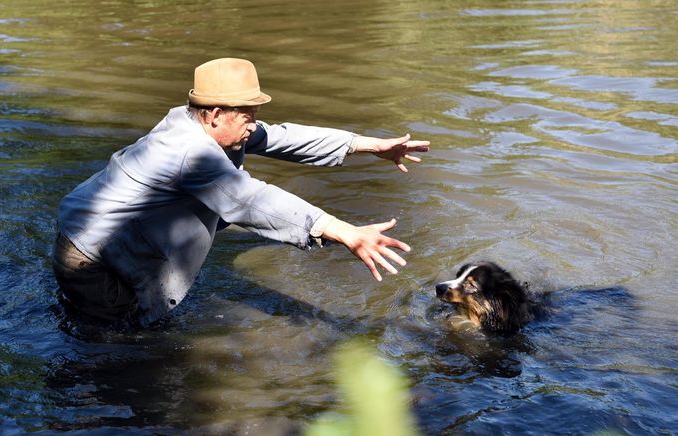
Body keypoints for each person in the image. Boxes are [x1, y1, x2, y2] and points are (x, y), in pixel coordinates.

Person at [53, 57, 429, 327]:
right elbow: (251, 199)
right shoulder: (191, 151)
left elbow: (284, 136)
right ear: (215, 114)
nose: (254, 124)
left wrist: (366, 145)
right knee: (117, 345)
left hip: (100, 228)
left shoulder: (197, 120)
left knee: (109, 321)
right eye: (247, 114)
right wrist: (341, 230)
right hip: (90, 253)